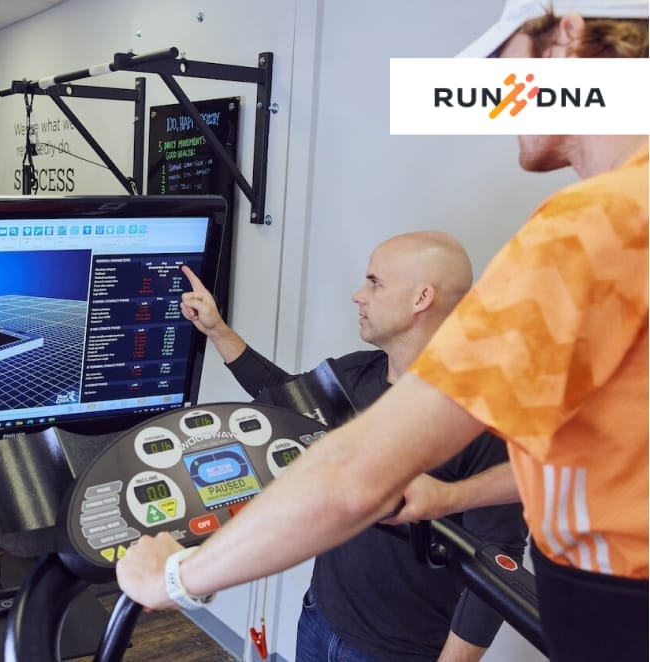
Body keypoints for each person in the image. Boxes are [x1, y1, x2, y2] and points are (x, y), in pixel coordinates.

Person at [115, 2, 649, 661]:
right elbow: (604, 454)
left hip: (614, 608)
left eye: (504, 69)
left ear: (568, 37)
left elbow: (355, 476)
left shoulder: (598, 223)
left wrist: (177, 577)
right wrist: (451, 496)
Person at [179, 230, 527, 662]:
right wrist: (217, 331)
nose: (358, 295)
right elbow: (285, 397)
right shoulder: (357, 375)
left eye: (375, 283)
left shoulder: (480, 416)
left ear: (421, 298)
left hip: (397, 651)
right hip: (320, 618)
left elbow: (498, 559)